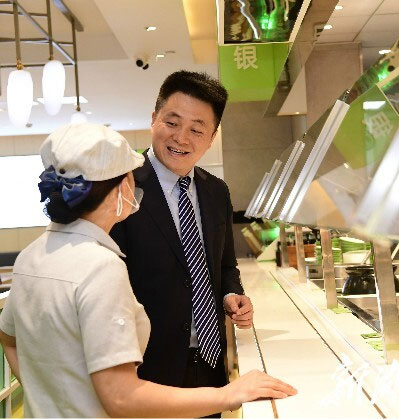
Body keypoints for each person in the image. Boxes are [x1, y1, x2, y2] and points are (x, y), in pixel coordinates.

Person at [0, 123, 296, 418]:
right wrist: (228, 394)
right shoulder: (101, 268)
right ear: (120, 188)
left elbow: (9, 339)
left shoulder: (31, 256)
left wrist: (51, 397)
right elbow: (121, 398)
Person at [109, 71, 253, 391]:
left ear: (212, 137)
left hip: (210, 364)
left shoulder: (216, 191)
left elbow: (225, 264)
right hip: (145, 369)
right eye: (172, 123)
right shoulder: (120, 188)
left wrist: (231, 294)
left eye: (196, 129)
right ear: (153, 119)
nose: (181, 138)